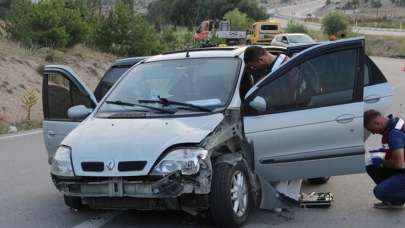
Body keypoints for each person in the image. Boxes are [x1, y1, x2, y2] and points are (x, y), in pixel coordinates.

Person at [243, 46, 302, 212]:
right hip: (288, 119)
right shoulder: (277, 66)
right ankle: (288, 197)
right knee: (294, 159)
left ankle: (284, 197)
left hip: (290, 119)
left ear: (261, 60)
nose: (253, 71)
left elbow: (286, 97)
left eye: (253, 67)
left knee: (291, 160)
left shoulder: (285, 68)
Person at [364, 109, 405, 209]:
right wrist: (382, 152)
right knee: (371, 165)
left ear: (378, 123)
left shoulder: (394, 134)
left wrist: (382, 161)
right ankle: (396, 201)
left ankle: (394, 196)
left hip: (402, 167)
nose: (373, 133)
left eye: (372, 130)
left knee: (379, 192)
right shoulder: (395, 122)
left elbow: (399, 164)